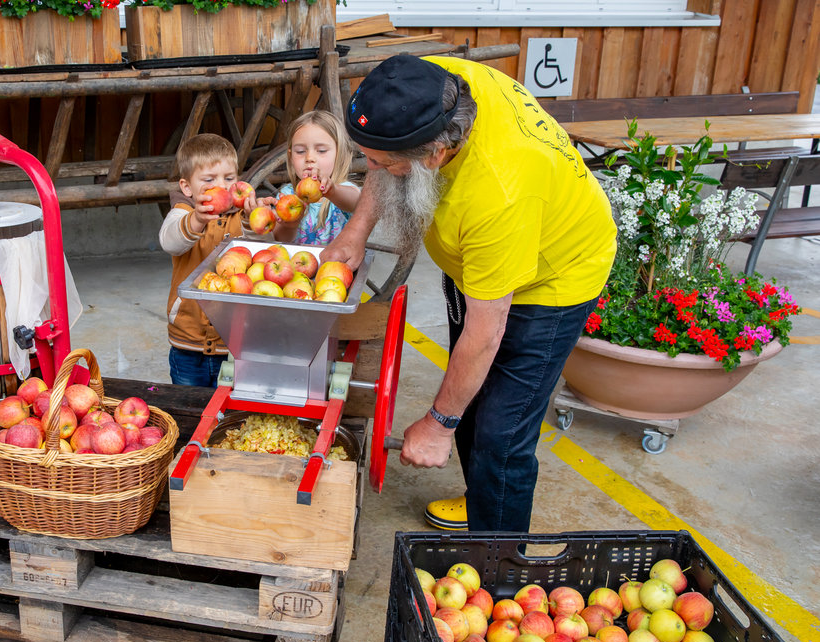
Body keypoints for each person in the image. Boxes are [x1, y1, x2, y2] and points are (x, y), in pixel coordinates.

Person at [321, 54, 616, 533]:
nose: (368, 168)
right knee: (472, 404)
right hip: (482, 264)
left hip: (554, 277)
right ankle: (482, 496)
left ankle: (499, 563)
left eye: (382, 163)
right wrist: (356, 229)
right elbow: (385, 149)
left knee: (501, 435)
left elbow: (485, 330)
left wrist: (437, 424)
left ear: (435, 155)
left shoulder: (499, 193)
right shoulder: (431, 85)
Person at [159, 133, 260, 387]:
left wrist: (254, 218)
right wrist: (196, 221)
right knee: (189, 408)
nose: (223, 186)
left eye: (229, 178)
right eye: (209, 180)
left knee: (228, 411)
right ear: (187, 187)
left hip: (233, 343)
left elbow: (260, 251)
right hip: (187, 342)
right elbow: (169, 241)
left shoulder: (239, 218)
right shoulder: (183, 214)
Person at [271, 110, 362, 245]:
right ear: (290, 157)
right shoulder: (286, 195)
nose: (309, 158)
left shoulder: (344, 190)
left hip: (336, 265)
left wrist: (333, 191)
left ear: (339, 154)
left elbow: (356, 202)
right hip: (296, 264)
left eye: (321, 151)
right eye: (300, 151)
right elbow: (280, 240)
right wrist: (289, 226)